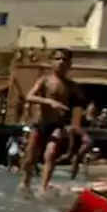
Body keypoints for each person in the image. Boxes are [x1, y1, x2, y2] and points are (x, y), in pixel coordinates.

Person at [19, 49, 85, 196]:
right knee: (30, 157)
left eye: (64, 60)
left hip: (57, 125)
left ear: (69, 64)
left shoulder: (71, 85)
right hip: (40, 123)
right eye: (58, 59)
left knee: (51, 153)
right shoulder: (44, 80)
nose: (61, 62)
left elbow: (80, 104)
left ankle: (43, 187)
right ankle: (25, 182)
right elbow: (29, 96)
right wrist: (49, 101)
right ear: (51, 62)